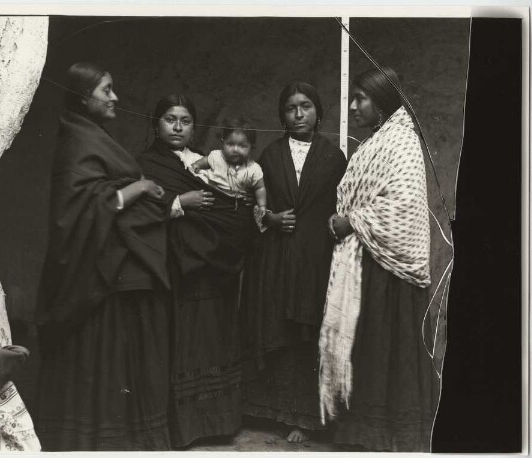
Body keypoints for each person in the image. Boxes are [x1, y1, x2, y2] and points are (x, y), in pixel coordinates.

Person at [35, 62, 173, 451]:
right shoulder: (78, 140)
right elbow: (82, 207)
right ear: (83, 97)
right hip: (95, 274)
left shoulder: (91, 135)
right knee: (99, 355)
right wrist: (141, 187)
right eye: (106, 91)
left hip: (114, 269)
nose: (115, 98)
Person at [318, 67, 439, 452]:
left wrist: (350, 220)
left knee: (390, 350)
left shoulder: (401, 142)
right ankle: (363, 436)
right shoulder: (376, 141)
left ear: (383, 102)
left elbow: (401, 207)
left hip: (391, 273)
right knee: (368, 351)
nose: (353, 106)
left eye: (361, 98)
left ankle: (391, 436)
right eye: (352, 98)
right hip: (366, 267)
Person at [140, 95, 256, 448]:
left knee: (215, 339)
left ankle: (220, 423)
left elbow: (236, 202)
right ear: (156, 124)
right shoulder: (146, 163)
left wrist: (240, 209)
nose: (177, 127)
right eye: (170, 119)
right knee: (184, 343)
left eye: (186, 120)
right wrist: (180, 203)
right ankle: (185, 428)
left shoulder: (212, 163)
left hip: (216, 267)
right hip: (179, 267)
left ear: (195, 126)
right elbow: (140, 213)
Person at [240, 82, 347, 443]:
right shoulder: (269, 156)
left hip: (317, 260)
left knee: (309, 336)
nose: (298, 115)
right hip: (276, 258)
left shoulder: (334, 158)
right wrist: (269, 218)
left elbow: (341, 209)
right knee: (279, 333)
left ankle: (305, 418)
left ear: (318, 111)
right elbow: (251, 203)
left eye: (306, 107)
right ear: (281, 115)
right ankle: (274, 413)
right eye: (290, 108)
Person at [190, 116, 267, 216]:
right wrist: (197, 165)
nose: (235, 149)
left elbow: (259, 188)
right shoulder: (217, 156)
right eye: (230, 144)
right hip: (212, 196)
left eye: (242, 146)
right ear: (222, 143)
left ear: (251, 148)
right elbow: (206, 161)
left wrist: (262, 206)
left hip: (234, 204)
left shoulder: (254, 169)